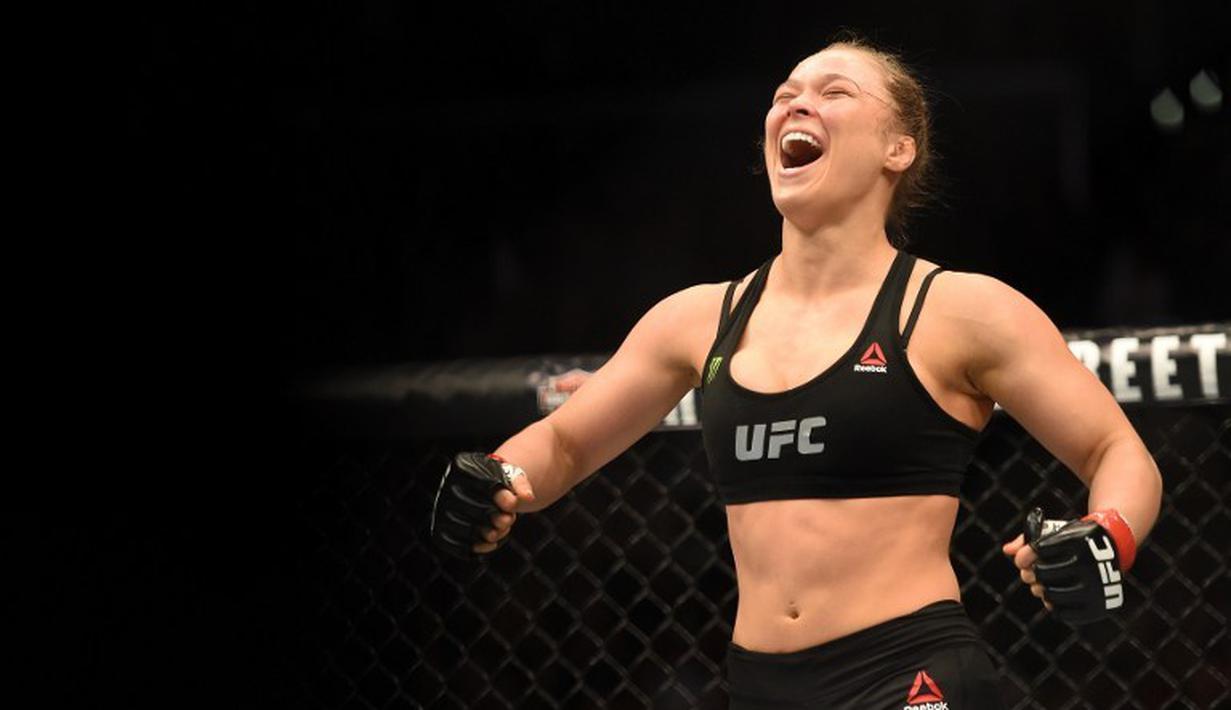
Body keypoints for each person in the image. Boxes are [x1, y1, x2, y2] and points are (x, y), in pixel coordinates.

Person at [430, 37, 1163, 709]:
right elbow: (561, 446)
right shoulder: (698, 319)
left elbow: (1116, 451)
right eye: (784, 92)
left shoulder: (954, 310)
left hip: (909, 674)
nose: (796, 102)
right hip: (758, 684)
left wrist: (1106, 534)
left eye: (834, 91)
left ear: (897, 148)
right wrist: (495, 475)